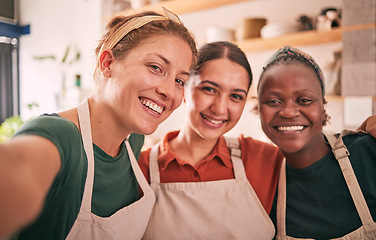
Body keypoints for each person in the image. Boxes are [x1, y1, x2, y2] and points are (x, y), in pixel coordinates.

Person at [0, 8, 197, 240]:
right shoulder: (58, 136)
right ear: (107, 63)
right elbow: (16, 170)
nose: (168, 91)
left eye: (179, 80)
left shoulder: (133, 140)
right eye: (155, 67)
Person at [138, 41, 284, 239]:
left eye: (235, 96)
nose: (220, 109)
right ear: (184, 88)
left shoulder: (264, 158)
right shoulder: (140, 167)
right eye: (209, 89)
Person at [257, 46, 376, 239]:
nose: (288, 112)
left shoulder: (368, 153)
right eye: (273, 101)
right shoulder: (257, 179)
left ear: (322, 108)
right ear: (259, 110)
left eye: (304, 100)